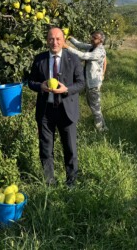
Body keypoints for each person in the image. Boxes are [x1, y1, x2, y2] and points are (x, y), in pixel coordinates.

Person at [28, 27, 85, 187]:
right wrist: (41, 86)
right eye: (51, 39)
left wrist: (66, 89)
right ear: (47, 40)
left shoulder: (72, 59)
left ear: (63, 40)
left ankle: (71, 183)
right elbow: (30, 82)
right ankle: (49, 182)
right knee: (46, 148)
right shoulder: (40, 59)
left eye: (58, 39)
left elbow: (81, 83)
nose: (54, 42)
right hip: (46, 110)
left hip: (67, 110)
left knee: (70, 149)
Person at [65, 30, 108, 131]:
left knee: (95, 106)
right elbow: (81, 45)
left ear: (101, 40)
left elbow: (83, 56)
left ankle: (101, 128)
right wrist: (71, 39)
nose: (92, 39)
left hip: (94, 83)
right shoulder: (93, 47)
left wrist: (67, 47)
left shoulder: (99, 51)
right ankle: (102, 126)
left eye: (94, 38)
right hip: (91, 81)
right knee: (93, 105)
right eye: (92, 37)